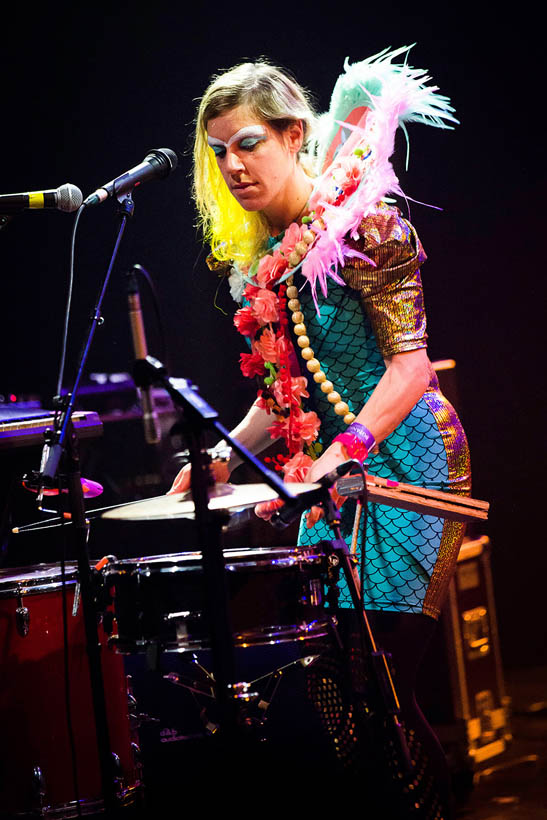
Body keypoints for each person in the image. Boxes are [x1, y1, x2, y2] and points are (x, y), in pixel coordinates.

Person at [170, 47, 470, 817]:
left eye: (248, 144)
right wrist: (220, 456)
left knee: (381, 681)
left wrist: (343, 452)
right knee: (346, 691)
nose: (233, 166)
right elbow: (282, 398)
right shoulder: (268, 258)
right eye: (218, 152)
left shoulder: (367, 227)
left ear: (295, 133)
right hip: (333, 483)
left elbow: (410, 370)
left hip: (406, 467)